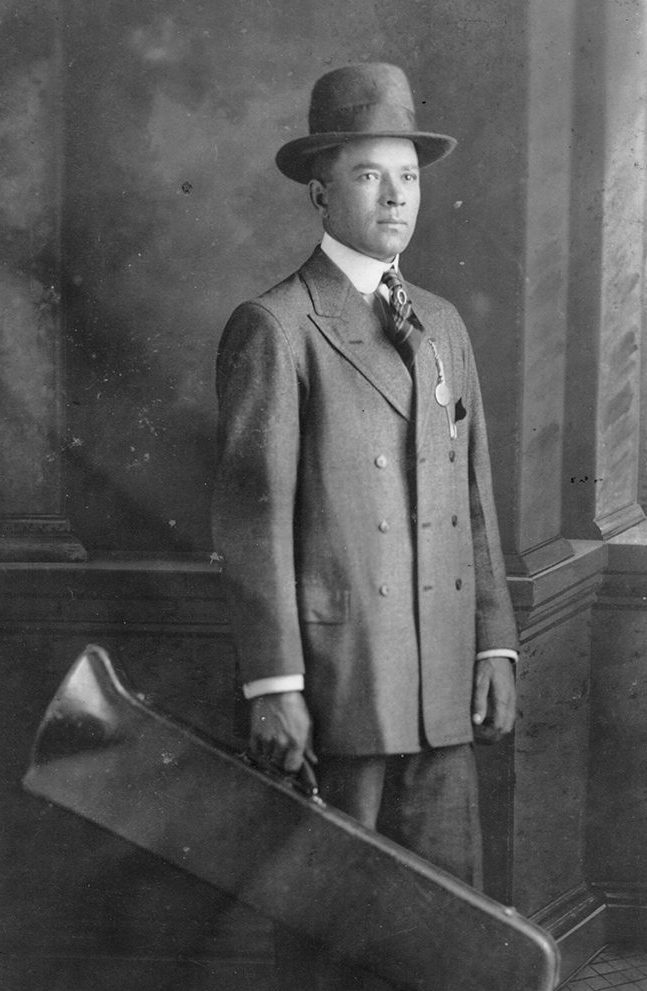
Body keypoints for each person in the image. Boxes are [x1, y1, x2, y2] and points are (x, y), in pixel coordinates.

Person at [212, 63, 517, 989]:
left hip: (442, 682)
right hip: (343, 690)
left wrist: (495, 644)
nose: (394, 197)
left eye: (409, 177)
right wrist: (274, 684)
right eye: (367, 175)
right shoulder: (278, 326)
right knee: (331, 940)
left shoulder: (443, 325)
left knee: (444, 933)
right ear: (318, 190)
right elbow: (253, 521)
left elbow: (475, 498)